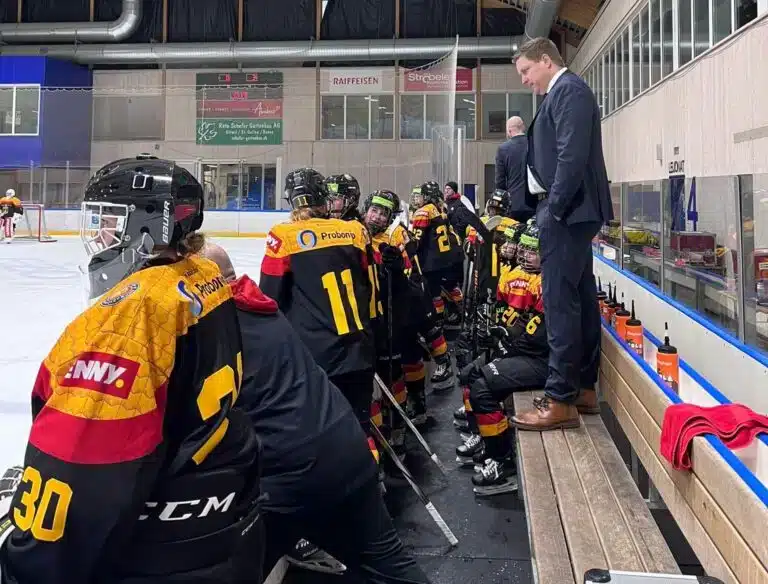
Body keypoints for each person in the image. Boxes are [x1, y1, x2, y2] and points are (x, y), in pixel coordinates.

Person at [0, 156, 264, 583]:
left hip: (154, 553)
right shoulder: (204, 274)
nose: (99, 234)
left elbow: (85, 473)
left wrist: (25, 564)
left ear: (146, 226)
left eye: (109, 220)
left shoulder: (131, 316)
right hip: (214, 522)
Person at [199, 242, 431, 584]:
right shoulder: (264, 309)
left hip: (287, 481)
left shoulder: (209, 328)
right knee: (391, 568)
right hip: (348, 451)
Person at [512, 37, 613, 431]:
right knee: (580, 298)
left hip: (567, 212)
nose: (524, 80)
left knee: (559, 303)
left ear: (545, 61)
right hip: (571, 212)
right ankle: (583, 389)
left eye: (525, 71)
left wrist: (552, 210)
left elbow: (571, 156)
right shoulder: (566, 93)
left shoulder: (568, 91)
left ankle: (559, 400)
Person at [259, 168, 378, 448]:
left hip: (316, 356)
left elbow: (268, 300)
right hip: (360, 348)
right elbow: (370, 285)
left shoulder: (282, 236)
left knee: (321, 432)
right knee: (360, 427)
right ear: (323, 198)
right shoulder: (355, 231)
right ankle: (372, 482)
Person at [494, 117, 535, 223]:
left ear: (509, 131)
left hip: (513, 205)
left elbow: (500, 181)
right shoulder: (534, 144)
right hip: (535, 204)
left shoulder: (503, 149)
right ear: (523, 127)